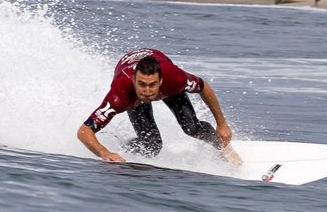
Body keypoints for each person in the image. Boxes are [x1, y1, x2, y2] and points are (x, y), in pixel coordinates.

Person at [77, 48, 239, 163]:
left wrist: (221, 123)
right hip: (128, 73)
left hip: (160, 64)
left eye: (152, 85)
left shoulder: (175, 78)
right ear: (134, 81)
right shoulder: (120, 95)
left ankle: (223, 149)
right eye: (142, 84)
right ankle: (123, 151)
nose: (147, 92)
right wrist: (105, 152)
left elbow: (204, 87)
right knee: (152, 146)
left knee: (192, 128)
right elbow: (84, 131)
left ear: (161, 81)